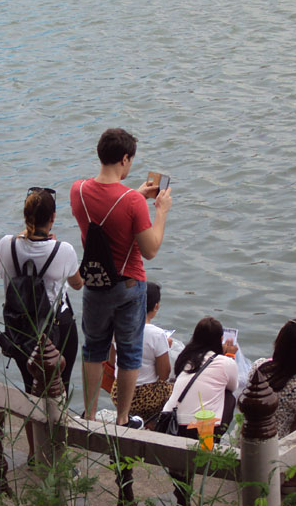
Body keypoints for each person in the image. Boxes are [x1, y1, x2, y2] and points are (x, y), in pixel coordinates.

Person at [70, 128, 172, 428]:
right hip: (128, 286)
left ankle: (88, 415)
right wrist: (161, 212)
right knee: (129, 353)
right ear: (125, 159)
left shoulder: (78, 190)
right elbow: (150, 249)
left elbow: (105, 215)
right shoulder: (132, 203)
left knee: (93, 349)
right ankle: (123, 418)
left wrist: (136, 195)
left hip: (95, 284)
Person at [0, 187, 83, 463]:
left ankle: (34, 453)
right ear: (52, 218)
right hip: (57, 330)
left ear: (25, 215)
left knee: (30, 389)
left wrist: (19, 239)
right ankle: (58, 455)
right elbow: (77, 284)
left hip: (19, 331)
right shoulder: (63, 250)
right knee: (59, 391)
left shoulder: (6, 244)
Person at [162, 317, 237, 439]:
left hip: (171, 422)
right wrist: (230, 355)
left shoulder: (184, 357)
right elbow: (233, 386)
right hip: (200, 428)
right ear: (221, 340)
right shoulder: (225, 362)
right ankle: (214, 438)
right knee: (228, 396)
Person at [109, 281, 173, 423]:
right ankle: (152, 423)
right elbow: (164, 374)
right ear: (156, 306)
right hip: (146, 398)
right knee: (175, 386)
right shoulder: (158, 334)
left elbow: (111, 362)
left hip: (119, 393)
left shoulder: (118, 326)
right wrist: (165, 347)